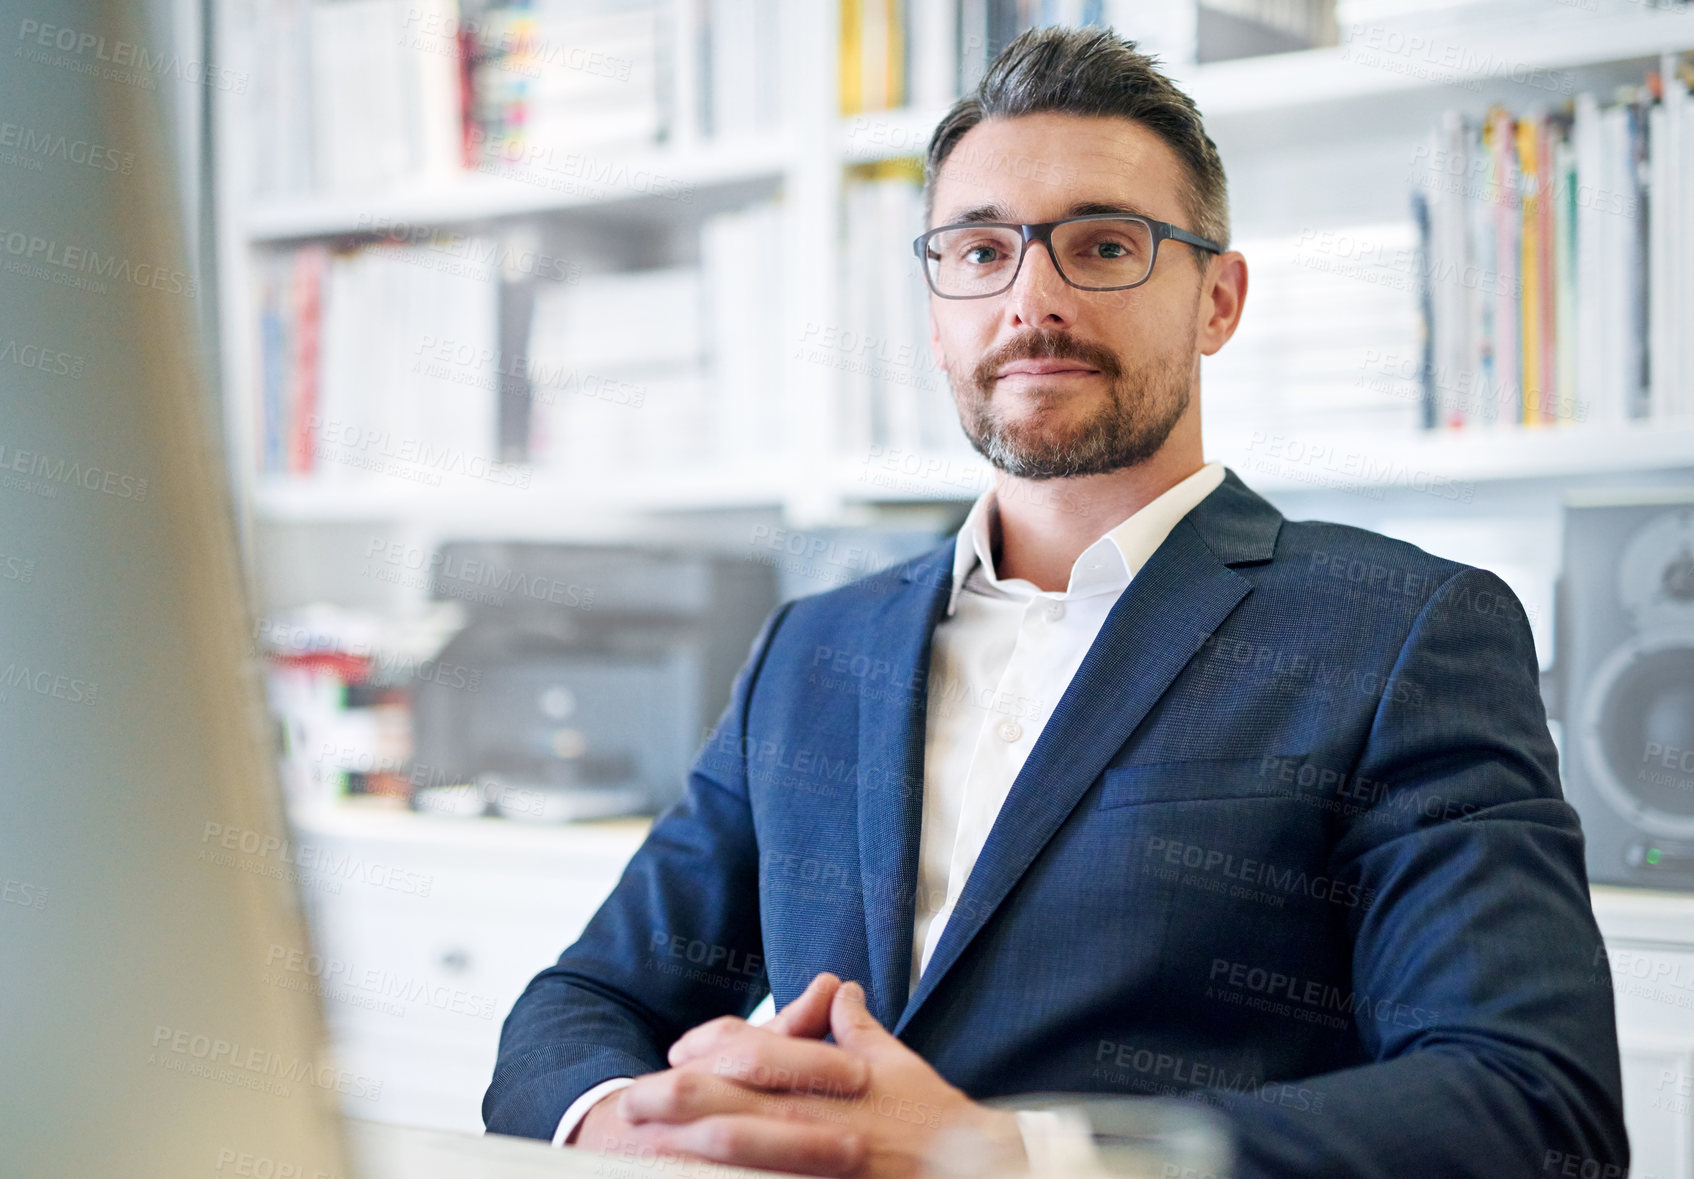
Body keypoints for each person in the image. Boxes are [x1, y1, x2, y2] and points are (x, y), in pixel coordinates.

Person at [484, 25, 1628, 1179]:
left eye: (1101, 245)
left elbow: (1530, 1109)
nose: (1030, 298)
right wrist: (617, 1114)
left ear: (1216, 301)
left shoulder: (1400, 632)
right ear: (936, 315)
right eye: (978, 252)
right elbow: (585, 1003)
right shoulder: (811, 649)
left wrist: (1012, 1154)